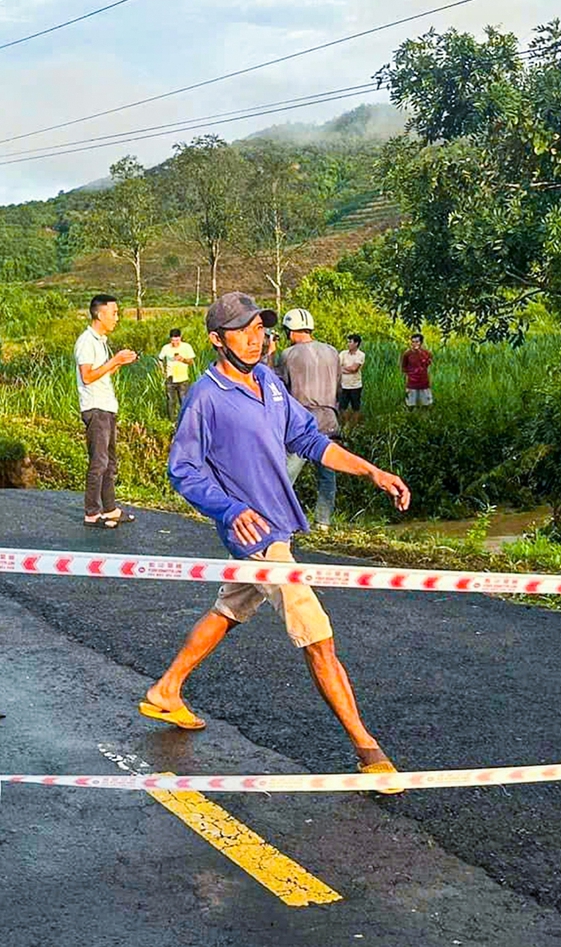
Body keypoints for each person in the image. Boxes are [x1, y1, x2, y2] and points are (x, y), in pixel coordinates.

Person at [141, 292, 412, 787]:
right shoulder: (206, 396)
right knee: (318, 638)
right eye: (243, 329)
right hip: (257, 536)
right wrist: (228, 507)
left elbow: (308, 439)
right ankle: (367, 748)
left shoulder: (268, 381)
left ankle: (167, 689)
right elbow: (183, 470)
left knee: (230, 610)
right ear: (216, 340)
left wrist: (371, 471)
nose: (256, 336)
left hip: (277, 526)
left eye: (260, 328)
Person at [74, 294, 138, 529]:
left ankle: (110, 509)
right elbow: (87, 376)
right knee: (99, 461)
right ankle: (92, 513)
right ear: (100, 315)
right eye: (114, 313)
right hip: (95, 408)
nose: (117, 318)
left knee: (110, 462)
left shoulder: (100, 341)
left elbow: (102, 373)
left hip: (107, 407)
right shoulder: (86, 341)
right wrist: (114, 361)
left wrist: (119, 362)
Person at [275, 307, 340, 526]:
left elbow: (279, 387)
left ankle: (278, 518)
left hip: (301, 423)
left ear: (291, 331)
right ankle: (323, 523)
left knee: (285, 476)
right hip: (329, 421)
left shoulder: (289, 354)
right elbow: (339, 388)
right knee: (327, 476)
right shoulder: (332, 351)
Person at [157, 327, 195, 417]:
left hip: (183, 378)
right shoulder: (166, 348)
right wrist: (162, 371)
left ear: (180, 338)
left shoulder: (186, 347)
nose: (175, 343)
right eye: (173, 341)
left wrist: (183, 359)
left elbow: (191, 361)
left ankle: (184, 419)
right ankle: (171, 420)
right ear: (170, 339)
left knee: (184, 400)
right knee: (170, 401)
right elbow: (160, 359)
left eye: (177, 340)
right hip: (170, 377)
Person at [338, 333, 365, 428]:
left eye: (350, 342)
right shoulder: (343, 353)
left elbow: (354, 369)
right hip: (344, 385)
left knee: (355, 407)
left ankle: (354, 425)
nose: (348, 344)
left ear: (356, 343)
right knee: (342, 407)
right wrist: (345, 369)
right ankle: (345, 425)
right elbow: (337, 367)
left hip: (355, 385)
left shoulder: (360, 355)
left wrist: (343, 369)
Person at [402, 332, 433, 408]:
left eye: (417, 342)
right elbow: (404, 367)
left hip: (424, 382)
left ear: (421, 343)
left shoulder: (426, 353)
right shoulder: (407, 354)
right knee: (410, 405)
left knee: (426, 405)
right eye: (413, 342)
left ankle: (424, 419)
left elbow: (428, 363)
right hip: (411, 383)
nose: (414, 344)